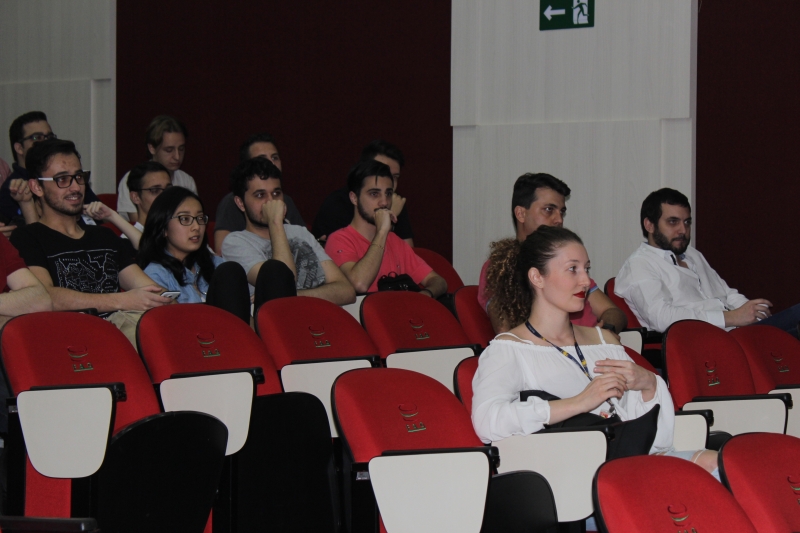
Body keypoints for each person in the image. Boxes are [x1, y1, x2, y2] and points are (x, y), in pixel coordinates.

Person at [471, 226, 718, 476]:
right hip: (574, 473)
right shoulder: (509, 349)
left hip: (625, 459)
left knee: (719, 462)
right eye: (573, 269)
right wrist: (578, 403)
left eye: (586, 269)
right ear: (537, 277)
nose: (586, 281)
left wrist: (648, 384)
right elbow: (487, 420)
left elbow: (654, 438)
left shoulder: (603, 340)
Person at [9, 139, 173, 344]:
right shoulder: (28, 237)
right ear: (37, 186)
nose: (76, 187)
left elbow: (148, 288)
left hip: (123, 332)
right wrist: (121, 300)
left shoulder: (103, 236)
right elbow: (45, 297)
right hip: (73, 341)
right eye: (62, 179)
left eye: (79, 177)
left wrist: (168, 302)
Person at [615, 188, 800, 336]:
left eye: (687, 222)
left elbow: (726, 293)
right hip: (703, 345)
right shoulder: (640, 265)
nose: (683, 230)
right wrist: (731, 317)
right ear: (649, 225)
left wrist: (754, 313)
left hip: (737, 334)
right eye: (673, 222)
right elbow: (662, 318)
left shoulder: (692, 254)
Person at [479, 173, 627, 334]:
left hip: (593, 344)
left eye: (561, 211)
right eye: (549, 210)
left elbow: (613, 312)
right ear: (521, 213)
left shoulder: (566, 261)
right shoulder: (501, 266)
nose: (559, 220)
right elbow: (506, 334)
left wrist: (604, 333)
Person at [221, 157, 355, 307]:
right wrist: (275, 222)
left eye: (276, 193)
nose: (271, 202)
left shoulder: (299, 232)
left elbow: (347, 291)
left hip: (320, 316)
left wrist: (293, 295)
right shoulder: (235, 242)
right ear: (240, 203)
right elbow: (282, 282)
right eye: (260, 195)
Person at [325, 160, 446, 296]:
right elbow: (359, 284)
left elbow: (438, 281)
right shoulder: (339, 239)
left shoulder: (395, 241)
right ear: (354, 198)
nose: (384, 202)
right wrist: (382, 231)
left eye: (388, 194)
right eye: (374, 194)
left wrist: (425, 295)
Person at [137, 187, 250, 321]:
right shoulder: (155, 274)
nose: (196, 227)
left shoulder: (217, 264)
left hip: (230, 330)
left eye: (200, 218)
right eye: (185, 219)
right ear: (163, 228)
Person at [0, 111, 100, 232]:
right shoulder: (12, 190)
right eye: (37, 138)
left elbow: (101, 218)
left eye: (50, 137)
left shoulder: (74, 179)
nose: (46, 142)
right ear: (19, 148)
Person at [214, 133, 305, 253]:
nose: (271, 164)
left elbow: (306, 243)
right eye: (260, 195)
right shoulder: (231, 203)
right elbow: (221, 252)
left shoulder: (286, 200)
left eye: (275, 158)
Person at [313, 139, 414, 246]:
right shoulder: (337, 204)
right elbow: (358, 251)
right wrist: (387, 223)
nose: (389, 182)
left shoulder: (393, 200)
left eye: (395, 177)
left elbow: (408, 250)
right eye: (380, 172)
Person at [117, 115, 197, 223]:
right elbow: (140, 225)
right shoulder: (134, 178)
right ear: (152, 148)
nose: (177, 156)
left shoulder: (187, 181)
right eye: (169, 150)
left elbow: (193, 218)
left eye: (181, 149)